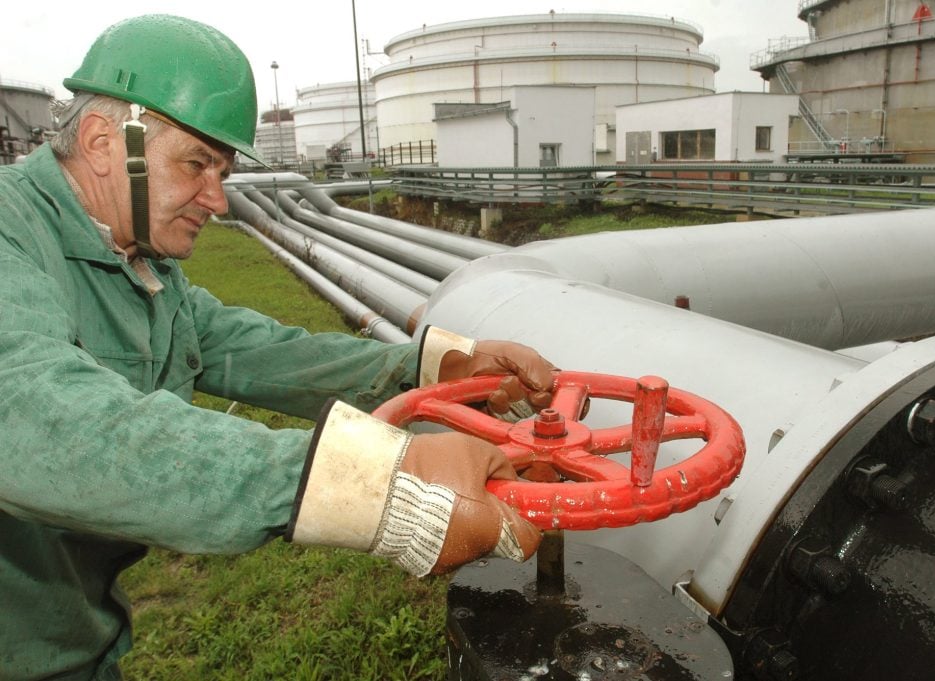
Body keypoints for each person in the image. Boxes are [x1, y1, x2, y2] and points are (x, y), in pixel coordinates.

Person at [0, 15, 556, 681]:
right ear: (100, 142)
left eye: (224, 170)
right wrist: (368, 482)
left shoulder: (139, 266)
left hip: (77, 644)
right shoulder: (11, 234)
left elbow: (259, 349)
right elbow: (39, 419)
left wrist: (430, 365)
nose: (219, 200)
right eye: (198, 164)